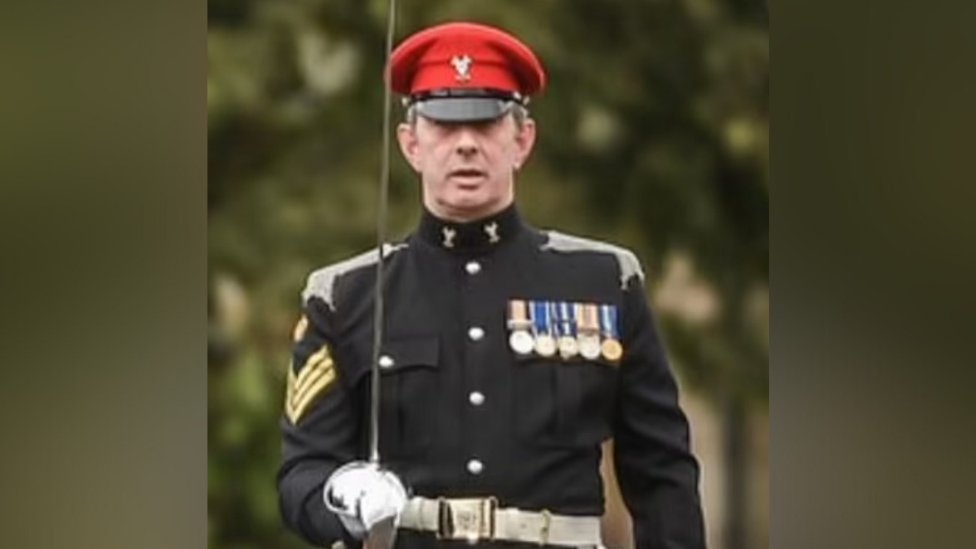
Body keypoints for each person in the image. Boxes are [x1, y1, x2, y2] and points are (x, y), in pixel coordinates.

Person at [278, 21, 706, 549]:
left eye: (484, 125)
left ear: (521, 140)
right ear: (410, 144)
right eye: (443, 126)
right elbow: (300, 475)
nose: (465, 146)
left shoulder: (605, 283)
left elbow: (663, 475)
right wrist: (341, 494)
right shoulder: (344, 298)